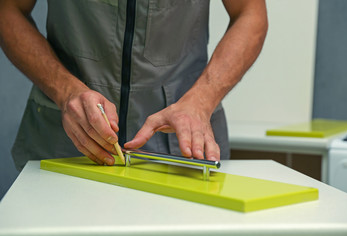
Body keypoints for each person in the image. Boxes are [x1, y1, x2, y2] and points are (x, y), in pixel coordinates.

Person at [0, 0, 268, 170]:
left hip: (182, 150)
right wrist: (66, 90)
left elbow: (250, 13)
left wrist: (201, 101)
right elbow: (8, 10)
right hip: (62, 142)